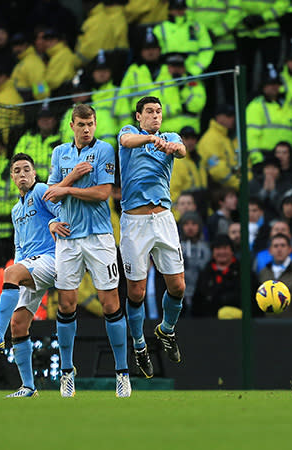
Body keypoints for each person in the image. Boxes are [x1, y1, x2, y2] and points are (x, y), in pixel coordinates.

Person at [43, 104, 129, 398]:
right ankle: (67, 373)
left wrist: (67, 189)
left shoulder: (105, 150)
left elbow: (102, 194)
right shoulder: (59, 153)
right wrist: (54, 218)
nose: (86, 128)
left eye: (90, 123)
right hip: (68, 237)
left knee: (110, 303)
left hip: (99, 237)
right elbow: (50, 193)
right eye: (81, 124)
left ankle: (122, 373)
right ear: (71, 125)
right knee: (66, 305)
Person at [0, 154, 60, 397]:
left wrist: (55, 223)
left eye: (26, 170)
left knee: (9, 271)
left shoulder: (42, 191)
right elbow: (19, 246)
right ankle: (28, 387)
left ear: (34, 174)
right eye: (17, 171)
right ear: (12, 177)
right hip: (31, 265)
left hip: (52, 259)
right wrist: (19, 266)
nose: (22, 174)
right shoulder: (15, 210)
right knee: (18, 324)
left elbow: (64, 212)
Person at [117, 96, 188, 381]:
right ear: (138, 116)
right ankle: (138, 345)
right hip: (134, 222)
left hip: (163, 219)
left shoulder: (169, 137)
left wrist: (172, 147)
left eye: (159, 112)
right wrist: (149, 141)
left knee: (178, 287)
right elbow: (126, 143)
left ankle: (166, 330)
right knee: (136, 292)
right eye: (149, 112)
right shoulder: (128, 133)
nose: (155, 116)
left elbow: (182, 151)